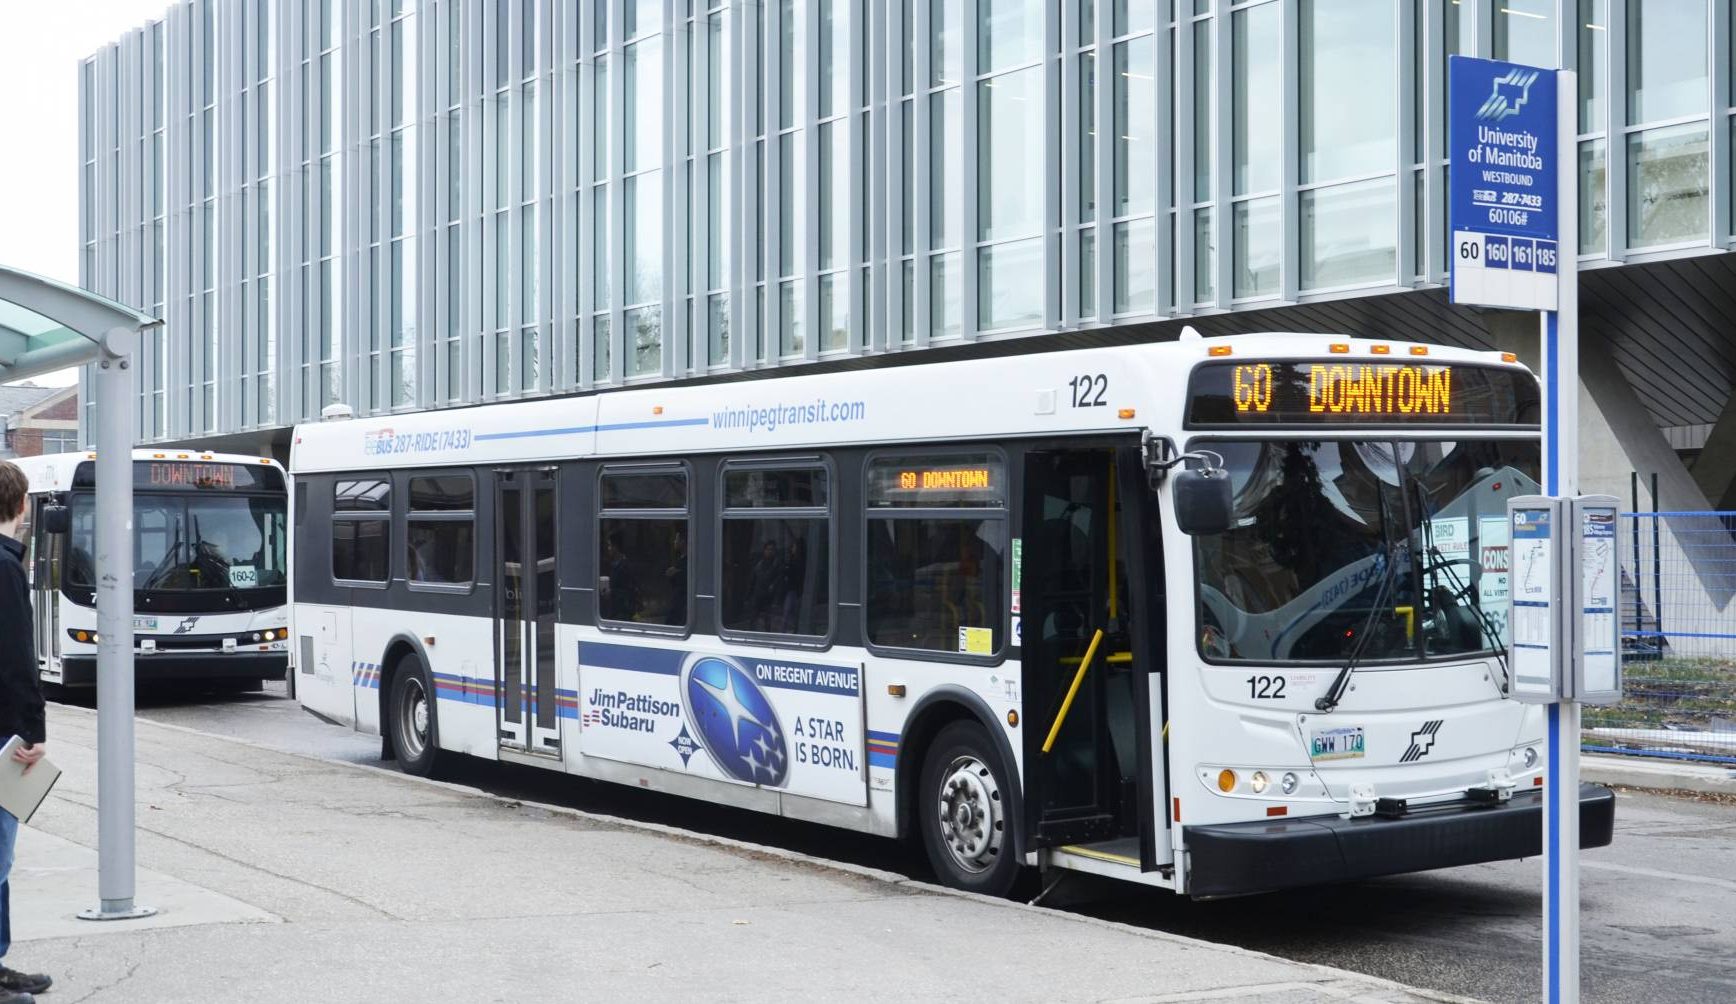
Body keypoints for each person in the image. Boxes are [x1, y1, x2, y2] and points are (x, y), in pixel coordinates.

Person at [0, 461, 52, 1002]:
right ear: (21, 507)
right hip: (2, 732)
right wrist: (33, 731)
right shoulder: (5, 567)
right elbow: (16, 659)